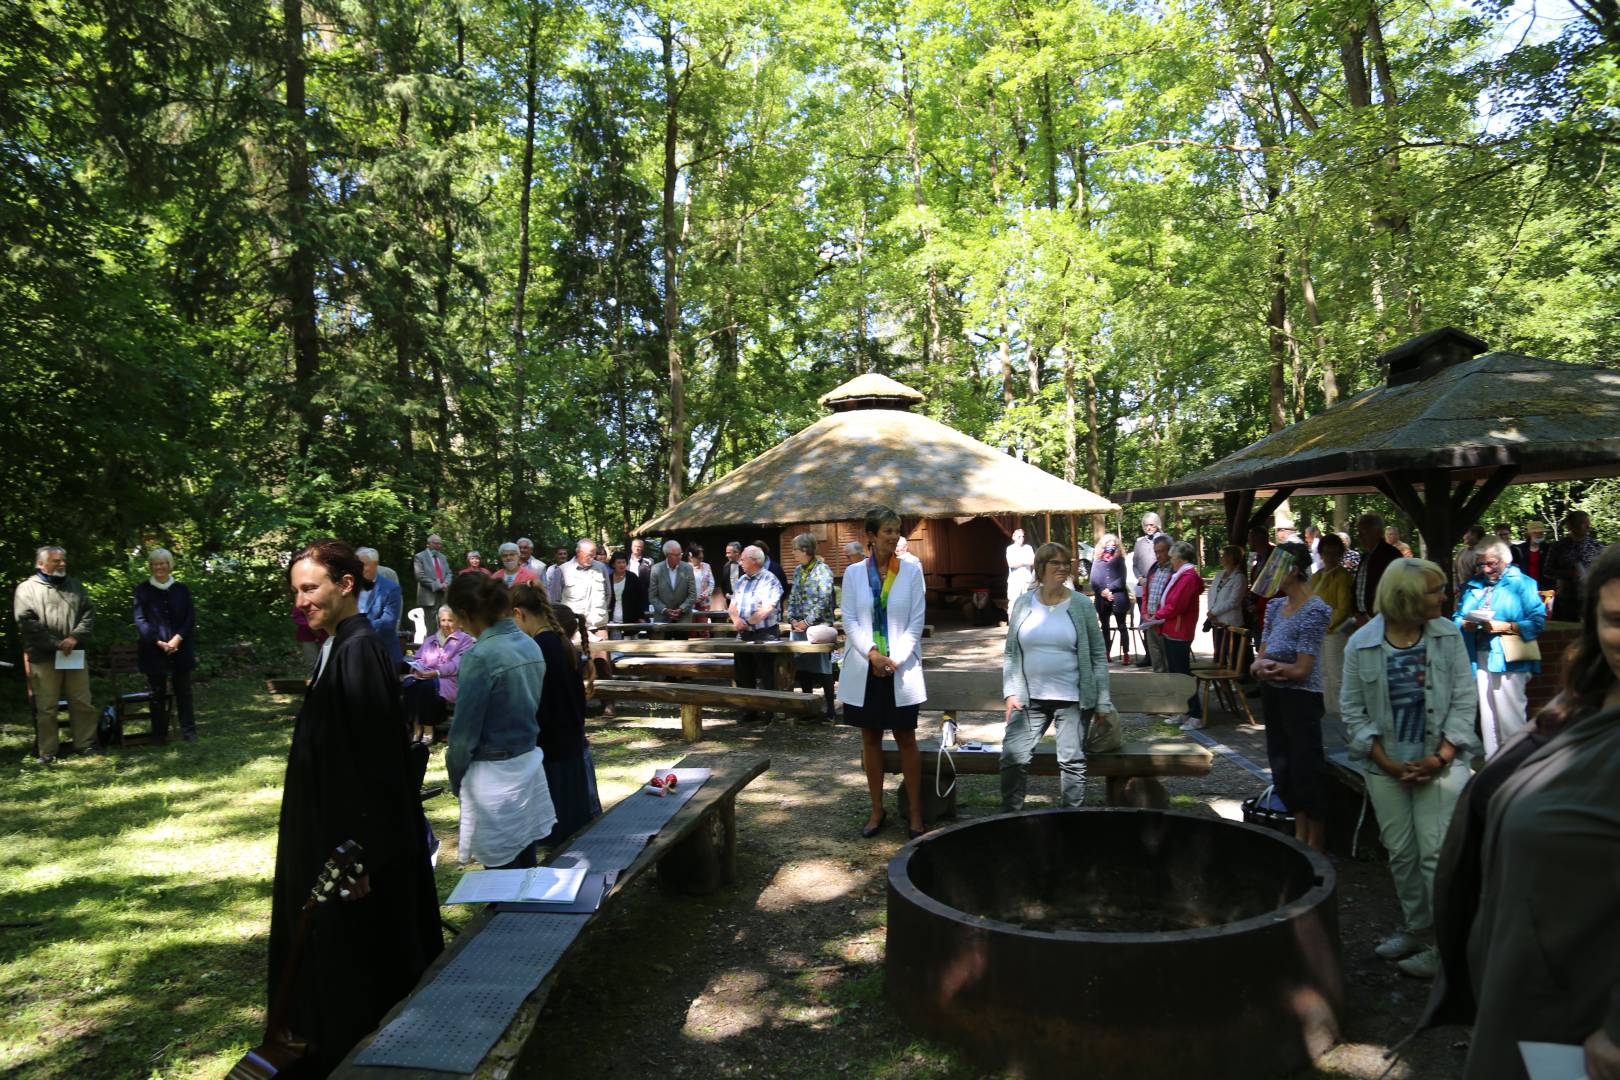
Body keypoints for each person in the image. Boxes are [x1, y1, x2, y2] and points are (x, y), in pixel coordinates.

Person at [1419, 542, 1620, 1080]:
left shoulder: (1522, 586)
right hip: (1518, 983)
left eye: (1491, 563)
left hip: (1583, 1018)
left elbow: (1533, 620)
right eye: (1616, 619)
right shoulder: (1578, 706)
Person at [276, 539, 441, 1073]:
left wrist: (355, 854)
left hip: (349, 845)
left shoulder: (360, 647)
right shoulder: (336, 643)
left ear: (346, 586)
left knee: (360, 957)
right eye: (295, 591)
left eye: (310, 588)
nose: (301, 600)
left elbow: (370, 763)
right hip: (328, 832)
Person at [1341, 558, 1476, 980]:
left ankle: (1446, 948)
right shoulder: (1361, 642)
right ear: (1407, 597)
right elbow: (1351, 710)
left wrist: (1440, 757)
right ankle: (1418, 930)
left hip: (1441, 763)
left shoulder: (1447, 633)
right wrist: (1385, 762)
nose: (1444, 596)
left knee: (1436, 854)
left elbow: (1463, 699)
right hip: (1387, 768)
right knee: (1401, 853)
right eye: (1435, 590)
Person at [444, 572, 557, 870]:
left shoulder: (481, 656)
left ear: (466, 614)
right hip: (527, 763)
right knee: (525, 859)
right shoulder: (530, 643)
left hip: (492, 773)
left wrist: (457, 777)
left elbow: (463, 736)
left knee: (502, 876)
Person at [840, 506, 928, 839]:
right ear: (872, 536)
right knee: (870, 738)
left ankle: (916, 814)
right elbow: (849, 619)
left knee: (906, 738)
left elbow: (916, 620)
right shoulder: (853, 574)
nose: (894, 536)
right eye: (887, 531)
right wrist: (874, 655)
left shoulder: (910, 572)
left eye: (897, 530)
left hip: (901, 667)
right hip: (866, 667)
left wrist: (894, 659)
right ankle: (877, 810)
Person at [1251, 541, 1331, 851]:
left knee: (1306, 767)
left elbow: (1302, 669)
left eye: (1277, 567)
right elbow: (1259, 656)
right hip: (1274, 696)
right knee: (1283, 767)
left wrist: (1269, 669)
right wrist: (1263, 668)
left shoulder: (1316, 609)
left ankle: (1317, 845)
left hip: (1301, 700)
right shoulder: (1274, 607)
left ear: (1294, 570)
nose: (1271, 573)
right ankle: (1300, 838)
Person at [509, 584, 602, 846]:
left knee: (564, 838)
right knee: (574, 831)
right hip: (569, 745)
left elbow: (541, 707)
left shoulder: (540, 647)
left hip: (552, 752)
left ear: (519, 613)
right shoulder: (558, 642)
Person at [1456, 538, 1546, 758]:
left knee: (1511, 722)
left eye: (1491, 563)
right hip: (1480, 656)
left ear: (1506, 560)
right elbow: (1457, 616)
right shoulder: (1473, 584)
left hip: (1509, 657)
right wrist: (1464, 623)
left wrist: (1506, 626)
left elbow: (1537, 622)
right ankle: (1493, 773)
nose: (1486, 569)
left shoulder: (1523, 583)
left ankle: (1516, 774)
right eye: (1481, 564)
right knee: (1488, 722)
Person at [15, 545, 98, 763]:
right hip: (44, 657)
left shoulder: (76, 586)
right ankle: (48, 752)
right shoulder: (27, 589)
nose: (62, 563)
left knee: (82, 702)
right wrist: (56, 644)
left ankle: (85, 745)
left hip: (74, 653)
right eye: (55, 560)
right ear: (40, 564)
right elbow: (27, 622)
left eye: (63, 559)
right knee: (47, 706)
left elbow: (89, 613)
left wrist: (74, 638)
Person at [133, 548, 197, 744]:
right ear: (150, 566)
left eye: (163, 563)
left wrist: (177, 639)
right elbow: (140, 620)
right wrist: (158, 642)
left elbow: (190, 617)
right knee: (156, 693)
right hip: (153, 650)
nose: (159, 567)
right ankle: (159, 735)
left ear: (170, 565)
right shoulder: (142, 590)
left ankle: (189, 732)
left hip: (181, 648)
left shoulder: (181, 589)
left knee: (183, 692)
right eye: (155, 563)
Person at [1144, 540, 1206, 730]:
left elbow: (1176, 604)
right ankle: (1183, 711)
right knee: (1175, 672)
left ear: (1180, 558)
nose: (1171, 561)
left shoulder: (1188, 577)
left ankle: (1196, 715)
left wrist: (1157, 616)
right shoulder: (1183, 574)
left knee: (1183, 674)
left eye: (1172, 558)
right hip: (1171, 629)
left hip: (1179, 630)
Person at [727, 545, 784, 722]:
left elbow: (768, 607)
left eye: (743, 559)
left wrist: (748, 622)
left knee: (767, 674)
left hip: (764, 633)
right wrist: (737, 621)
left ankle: (769, 711)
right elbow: (732, 606)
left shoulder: (770, 579)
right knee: (743, 674)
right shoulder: (742, 580)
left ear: (755, 561)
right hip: (744, 634)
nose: (740, 562)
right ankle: (749, 710)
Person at [402, 605, 472, 747]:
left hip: (449, 680)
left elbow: (457, 665)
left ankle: (428, 729)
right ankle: (416, 727)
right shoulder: (431, 639)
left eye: (450, 620)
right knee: (410, 683)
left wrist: (436, 672)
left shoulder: (465, 640)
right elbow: (418, 657)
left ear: (458, 622)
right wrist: (416, 668)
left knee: (427, 685)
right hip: (425, 676)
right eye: (443, 620)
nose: (445, 624)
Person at [787, 532, 838, 723]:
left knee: (822, 668)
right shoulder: (798, 570)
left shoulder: (823, 570)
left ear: (805, 550)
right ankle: (809, 708)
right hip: (799, 628)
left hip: (818, 627)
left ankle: (830, 711)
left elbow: (824, 599)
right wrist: (792, 619)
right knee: (803, 667)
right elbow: (792, 597)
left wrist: (807, 622)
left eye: (795, 549)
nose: (793, 553)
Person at [1309, 532, 1355, 728]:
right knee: (1322, 674)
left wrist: (1325, 625)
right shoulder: (1317, 576)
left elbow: (1343, 609)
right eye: (1326, 552)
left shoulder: (1343, 577)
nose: (1329, 556)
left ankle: (1342, 715)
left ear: (1340, 553)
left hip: (1335, 633)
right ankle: (1329, 714)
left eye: (1334, 552)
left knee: (1337, 676)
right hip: (1319, 633)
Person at [1128, 513, 1171, 666]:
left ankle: (1164, 656)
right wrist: (1140, 579)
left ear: (1157, 525)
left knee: (1160, 620)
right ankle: (1149, 655)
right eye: (1146, 525)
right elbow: (1134, 564)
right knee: (1145, 620)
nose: (1149, 528)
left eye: (1152, 525)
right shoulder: (1139, 543)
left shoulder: (1165, 540)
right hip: (1143, 587)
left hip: (1161, 588)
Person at [1547, 509, 1603, 621]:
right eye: (1584, 523)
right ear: (1572, 526)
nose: (1588, 526)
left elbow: (1606, 570)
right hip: (1566, 598)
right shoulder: (1559, 547)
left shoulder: (1596, 546)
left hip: (1591, 597)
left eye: (1588, 523)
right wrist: (1569, 574)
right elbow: (1547, 571)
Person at [356, 547, 406, 672]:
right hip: (356, 654)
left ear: (375, 565)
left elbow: (388, 623)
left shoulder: (391, 588)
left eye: (364, 565)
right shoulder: (350, 587)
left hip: (383, 655)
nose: (360, 569)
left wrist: (357, 627)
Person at [1352, 513, 1402, 632]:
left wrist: (1374, 616)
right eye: (1358, 532)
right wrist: (1357, 613)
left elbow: (1395, 590)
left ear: (1378, 533)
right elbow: (1358, 587)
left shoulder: (1391, 555)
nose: (1359, 537)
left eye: (1364, 532)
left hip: (1383, 620)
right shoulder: (1365, 556)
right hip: (1363, 620)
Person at [1089, 533, 1131, 664]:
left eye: (1114, 545)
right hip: (1102, 599)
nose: (1111, 547)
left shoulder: (1120, 560)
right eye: (1108, 545)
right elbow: (1094, 581)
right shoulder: (1097, 561)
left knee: (1122, 626)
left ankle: (1126, 653)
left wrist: (1110, 589)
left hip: (1118, 597)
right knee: (1105, 627)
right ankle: (1106, 653)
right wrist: (1102, 592)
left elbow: (1122, 580)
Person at [555, 539, 611, 634]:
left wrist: (600, 612)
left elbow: (608, 594)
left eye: (594, 555)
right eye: (589, 555)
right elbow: (555, 600)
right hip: (573, 628)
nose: (592, 558)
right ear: (578, 553)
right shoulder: (562, 570)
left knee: (602, 649)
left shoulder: (601, 568)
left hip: (599, 626)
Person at [1205, 544, 1247, 666]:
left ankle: (1233, 683)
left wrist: (1214, 612)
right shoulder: (1219, 575)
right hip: (1217, 622)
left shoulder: (1239, 578)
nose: (1221, 558)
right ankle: (1220, 683)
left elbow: (1234, 601)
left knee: (1232, 656)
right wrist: (1210, 611)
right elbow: (1211, 594)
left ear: (1231, 558)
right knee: (1218, 654)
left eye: (1224, 555)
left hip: (1231, 622)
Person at [1137, 535, 1173, 672]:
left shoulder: (1174, 570)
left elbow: (1174, 599)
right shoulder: (1153, 568)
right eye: (1156, 552)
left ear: (1170, 550)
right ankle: (1160, 690)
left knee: (1168, 662)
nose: (1158, 555)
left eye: (1161, 551)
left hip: (1166, 621)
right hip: (1150, 620)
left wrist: (1159, 615)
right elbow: (1146, 593)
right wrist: (1145, 613)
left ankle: (1171, 691)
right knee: (1156, 662)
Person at [649, 540, 696, 625]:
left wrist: (681, 609)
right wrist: (664, 610)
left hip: (683, 618)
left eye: (680, 554)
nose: (680, 557)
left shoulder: (688, 568)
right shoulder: (656, 569)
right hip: (662, 619)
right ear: (668, 555)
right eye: (676, 555)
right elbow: (652, 596)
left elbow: (692, 594)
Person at [605, 551, 648, 635]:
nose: (622, 565)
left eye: (624, 562)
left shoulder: (633, 577)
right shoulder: (608, 579)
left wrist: (641, 616)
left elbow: (640, 598)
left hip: (631, 618)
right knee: (615, 646)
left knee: (631, 646)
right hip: (613, 619)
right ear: (613, 564)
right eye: (619, 562)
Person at [413, 533, 452, 620]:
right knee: (430, 626)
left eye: (440, 544)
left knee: (444, 622)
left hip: (443, 596)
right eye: (436, 543)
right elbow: (420, 576)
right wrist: (438, 585)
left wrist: (446, 583)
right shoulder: (419, 557)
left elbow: (449, 573)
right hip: (428, 597)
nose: (439, 546)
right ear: (429, 544)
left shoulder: (443, 557)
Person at [1511, 520, 1551, 591]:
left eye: (1541, 533)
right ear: (1530, 534)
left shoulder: (1548, 549)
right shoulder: (1519, 549)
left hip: (1544, 587)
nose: (1539, 535)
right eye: (1536, 533)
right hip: (1524, 587)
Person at [292, 604, 326, 673]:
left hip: (325, 635)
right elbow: (296, 617)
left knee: (327, 659)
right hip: (307, 637)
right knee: (311, 661)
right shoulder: (303, 601)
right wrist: (311, 626)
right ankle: (312, 678)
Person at [688, 544, 717, 623]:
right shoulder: (685, 568)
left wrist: (703, 596)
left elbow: (711, 584)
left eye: (702, 558)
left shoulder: (706, 566)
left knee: (703, 627)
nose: (700, 560)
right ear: (691, 557)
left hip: (704, 602)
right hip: (689, 603)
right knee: (691, 629)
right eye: (698, 558)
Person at [1453, 524, 1487, 591]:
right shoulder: (1461, 551)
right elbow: (1454, 571)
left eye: (1465, 533)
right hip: (1459, 591)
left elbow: (1480, 577)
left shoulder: (1483, 553)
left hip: (1474, 592)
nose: (1463, 537)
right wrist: (1455, 586)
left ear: (1474, 535)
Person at [1006, 528, 1035, 604]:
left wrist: (1019, 562)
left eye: (1023, 536)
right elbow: (1011, 564)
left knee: (1027, 603)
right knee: (1013, 604)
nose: (1021, 538)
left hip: (1027, 580)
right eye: (1019, 537)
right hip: (1014, 581)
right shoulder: (1010, 549)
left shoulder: (1028, 548)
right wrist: (1025, 561)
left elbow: (1032, 561)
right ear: (1014, 537)